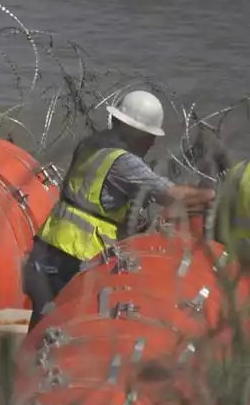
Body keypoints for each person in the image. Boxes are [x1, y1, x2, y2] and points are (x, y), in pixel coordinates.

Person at [24, 91, 215, 330]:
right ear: (137, 133)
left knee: (40, 335)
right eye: (150, 136)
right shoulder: (123, 162)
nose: (153, 142)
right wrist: (210, 195)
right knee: (65, 334)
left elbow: (93, 199)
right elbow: (170, 195)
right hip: (71, 260)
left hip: (45, 250)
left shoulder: (91, 145)